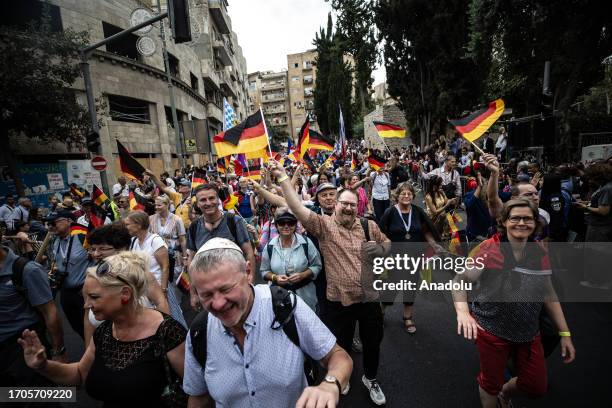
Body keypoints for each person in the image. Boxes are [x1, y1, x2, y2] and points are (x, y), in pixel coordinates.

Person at [269, 160, 391, 406]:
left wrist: (378, 249)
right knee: (341, 344)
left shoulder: (369, 225)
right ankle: (342, 379)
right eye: (344, 203)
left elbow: (387, 244)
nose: (348, 208)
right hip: (339, 301)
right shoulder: (323, 226)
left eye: (352, 205)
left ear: (358, 207)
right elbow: (296, 207)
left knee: (372, 343)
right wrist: (283, 177)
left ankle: (370, 378)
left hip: (369, 299)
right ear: (336, 205)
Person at [183, 238, 353, 408]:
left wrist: (330, 384)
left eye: (226, 289)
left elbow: (338, 357)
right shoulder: (200, 332)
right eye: (206, 295)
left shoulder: (285, 306)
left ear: (248, 272)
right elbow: (198, 397)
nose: (218, 303)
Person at [19, 251, 187, 407]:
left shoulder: (168, 332)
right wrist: (43, 365)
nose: (86, 305)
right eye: (85, 297)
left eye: (94, 297)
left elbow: (197, 391)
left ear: (125, 294)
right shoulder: (104, 331)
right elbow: (79, 374)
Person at [454, 199, 576, 408]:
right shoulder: (489, 248)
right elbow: (459, 281)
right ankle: (496, 393)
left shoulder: (540, 251)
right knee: (490, 384)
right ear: (504, 222)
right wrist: (463, 313)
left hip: (528, 333)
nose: (521, 223)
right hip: (491, 330)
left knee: (536, 387)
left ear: (536, 223)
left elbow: (548, 292)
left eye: (527, 218)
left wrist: (564, 333)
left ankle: (505, 392)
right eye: (515, 218)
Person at [84, 222, 169, 347]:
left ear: (121, 249)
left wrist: (164, 341)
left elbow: (161, 303)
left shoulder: (141, 274)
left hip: (145, 346)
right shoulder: (91, 278)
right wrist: (88, 350)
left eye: (102, 248)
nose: (96, 254)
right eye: (93, 249)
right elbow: (87, 319)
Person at [1, 242, 67, 390]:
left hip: (23, 347)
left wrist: (58, 352)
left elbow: (49, 311)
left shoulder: (26, 270)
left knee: (38, 398)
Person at [378, 182, 441, 333]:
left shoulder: (418, 212)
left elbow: (425, 231)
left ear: (413, 196)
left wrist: (434, 245)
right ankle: (380, 313)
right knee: (391, 287)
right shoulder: (390, 213)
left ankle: (407, 317)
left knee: (410, 286)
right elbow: (380, 233)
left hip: (414, 258)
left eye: (409, 194)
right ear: (397, 196)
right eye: (403, 194)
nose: (406, 196)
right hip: (395, 258)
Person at [185, 183, 255, 309]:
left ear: (218, 200)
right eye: (203, 200)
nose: (208, 203)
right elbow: (191, 260)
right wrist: (193, 292)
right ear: (198, 204)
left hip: (234, 285)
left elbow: (248, 252)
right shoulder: (194, 227)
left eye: (211, 198)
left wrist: (250, 281)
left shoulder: (234, 221)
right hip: (209, 290)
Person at [125, 211, 187, 328]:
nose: (125, 227)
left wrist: (163, 292)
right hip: (143, 293)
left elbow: (165, 267)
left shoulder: (155, 240)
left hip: (159, 291)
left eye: (128, 224)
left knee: (169, 323)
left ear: (138, 225)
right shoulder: (134, 242)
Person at [260, 209, 322, 310]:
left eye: (290, 223)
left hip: (305, 296)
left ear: (295, 224)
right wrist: (275, 278)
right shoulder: (270, 246)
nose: (286, 226)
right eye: (281, 223)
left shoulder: (306, 243)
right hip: (279, 297)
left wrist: (302, 275)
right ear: (276, 225)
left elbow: (317, 265)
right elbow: (264, 271)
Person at [48, 210, 93, 339]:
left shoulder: (83, 237)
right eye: (50, 223)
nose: (51, 226)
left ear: (69, 221)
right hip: (65, 292)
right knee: (77, 326)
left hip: (84, 292)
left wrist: (91, 285)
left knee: (92, 325)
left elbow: (98, 260)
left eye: (55, 222)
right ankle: (90, 351)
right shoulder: (54, 241)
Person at [149, 195, 187, 281]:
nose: (156, 207)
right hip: (156, 256)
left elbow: (182, 240)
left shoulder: (177, 220)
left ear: (167, 205)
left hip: (174, 257)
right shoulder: (150, 219)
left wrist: (185, 258)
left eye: (159, 205)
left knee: (174, 282)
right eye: (155, 205)